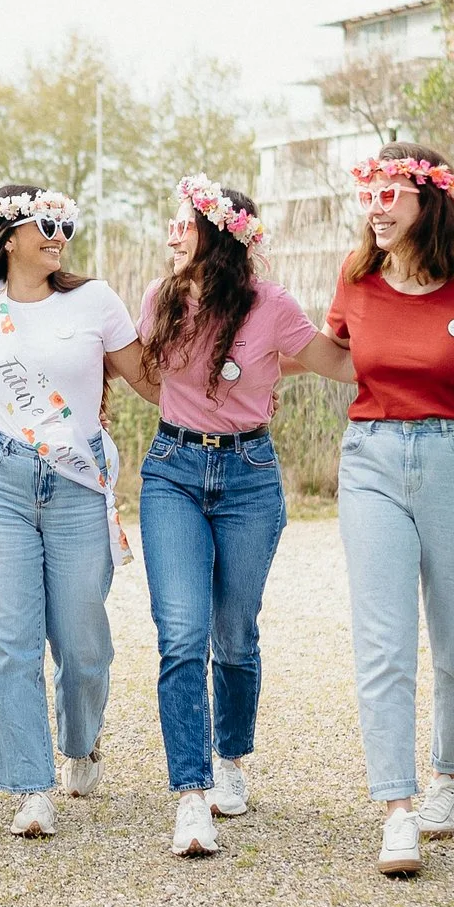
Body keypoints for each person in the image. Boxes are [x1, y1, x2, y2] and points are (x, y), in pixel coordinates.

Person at [126, 176, 352, 858]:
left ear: (217, 234)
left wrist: (410, 336)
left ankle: (232, 760)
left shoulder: (271, 305)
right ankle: (191, 795)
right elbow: (139, 370)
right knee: (183, 631)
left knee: (233, 629)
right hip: (173, 472)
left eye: (181, 223)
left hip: (251, 477)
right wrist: (183, 406)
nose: (171, 234)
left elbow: (332, 359)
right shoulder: (160, 299)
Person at [322, 141, 454, 877]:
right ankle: (396, 808)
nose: (375, 208)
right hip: (370, 454)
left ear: (428, 199)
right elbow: (342, 356)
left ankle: (448, 778)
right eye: (368, 196)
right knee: (383, 638)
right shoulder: (356, 273)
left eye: (389, 195)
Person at [0, 184, 145, 839]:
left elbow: (147, 376)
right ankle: (31, 786)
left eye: (65, 221)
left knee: (83, 641)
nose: (59, 231)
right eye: (46, 221)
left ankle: (81, 739)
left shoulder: (95, 300)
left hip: (79, 480)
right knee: (9, 641)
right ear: (8, 234)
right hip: (6, 478)